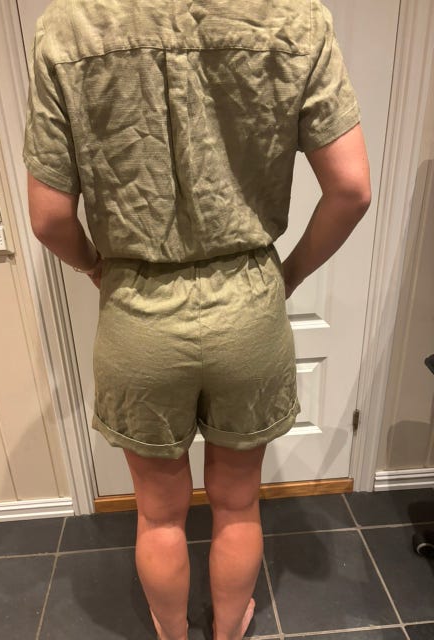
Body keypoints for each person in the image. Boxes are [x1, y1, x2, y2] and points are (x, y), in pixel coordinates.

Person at [23, 1, 371, 639]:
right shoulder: (295, 19)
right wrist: (287, 276)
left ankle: (174, 633)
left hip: (138, 314)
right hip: (248, 309)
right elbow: (351, 189)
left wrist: (96, 267)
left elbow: (48, 218)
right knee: (237, 505)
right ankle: (229, 631)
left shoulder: (68, 27)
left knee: (158, 517)